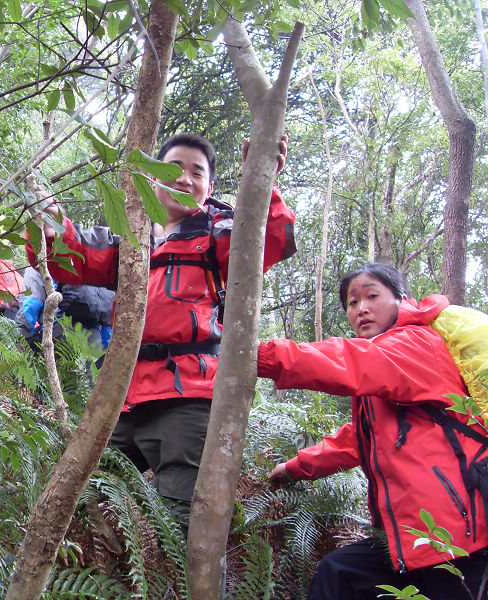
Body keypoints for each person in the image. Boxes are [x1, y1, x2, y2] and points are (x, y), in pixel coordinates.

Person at [29, 133, 296, 526]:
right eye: (172, 169)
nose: (184, 179)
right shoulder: (131, 243)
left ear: (208, 186)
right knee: (93, 505)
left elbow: (267, 241)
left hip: (188, 396)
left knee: (180, 518)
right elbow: (72, 259)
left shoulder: (220, 235)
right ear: (152, 179)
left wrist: (263, 180)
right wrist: (48, 220)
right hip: (122, 394)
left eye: (197, 172)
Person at [259, 263, 488, 600]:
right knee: (338, 574)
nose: (361, 308)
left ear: (401, 300)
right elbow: (360, 438)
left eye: (372, 296)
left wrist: (257, 355)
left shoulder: (414, 344)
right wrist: (295, 468)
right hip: (415, 536)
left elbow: (348, 362)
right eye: (352, 302)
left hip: (456, 534)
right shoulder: (385, 361)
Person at [16, 266, 114, 354]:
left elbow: (31, 304)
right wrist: (105, 347)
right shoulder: (91, 268)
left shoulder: (40, 265)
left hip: (59, 331)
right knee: (85, 373)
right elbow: (106, 314)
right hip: (93, 340)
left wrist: (19, 338)